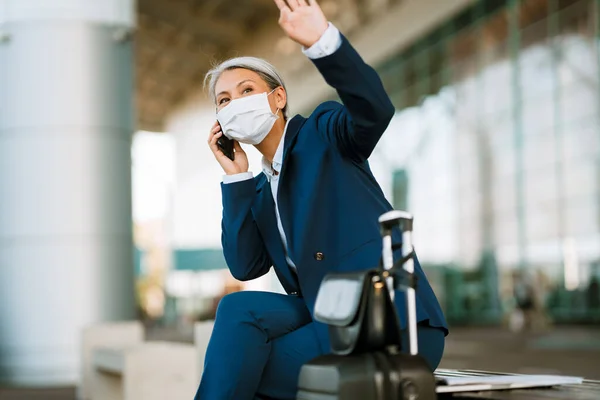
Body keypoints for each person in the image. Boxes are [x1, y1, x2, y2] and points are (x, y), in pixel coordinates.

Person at [195, 1, 448, 399]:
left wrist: (322, 42)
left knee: (243, 370)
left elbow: (374, 110)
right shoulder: (258, 191)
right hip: (322, 317)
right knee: (235, 311)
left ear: (278, 98)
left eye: (246, 90)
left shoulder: (323, 133)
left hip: (385, 319)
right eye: (223, 100)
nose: (234, 102)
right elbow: (246, 267)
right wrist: (238, 178)